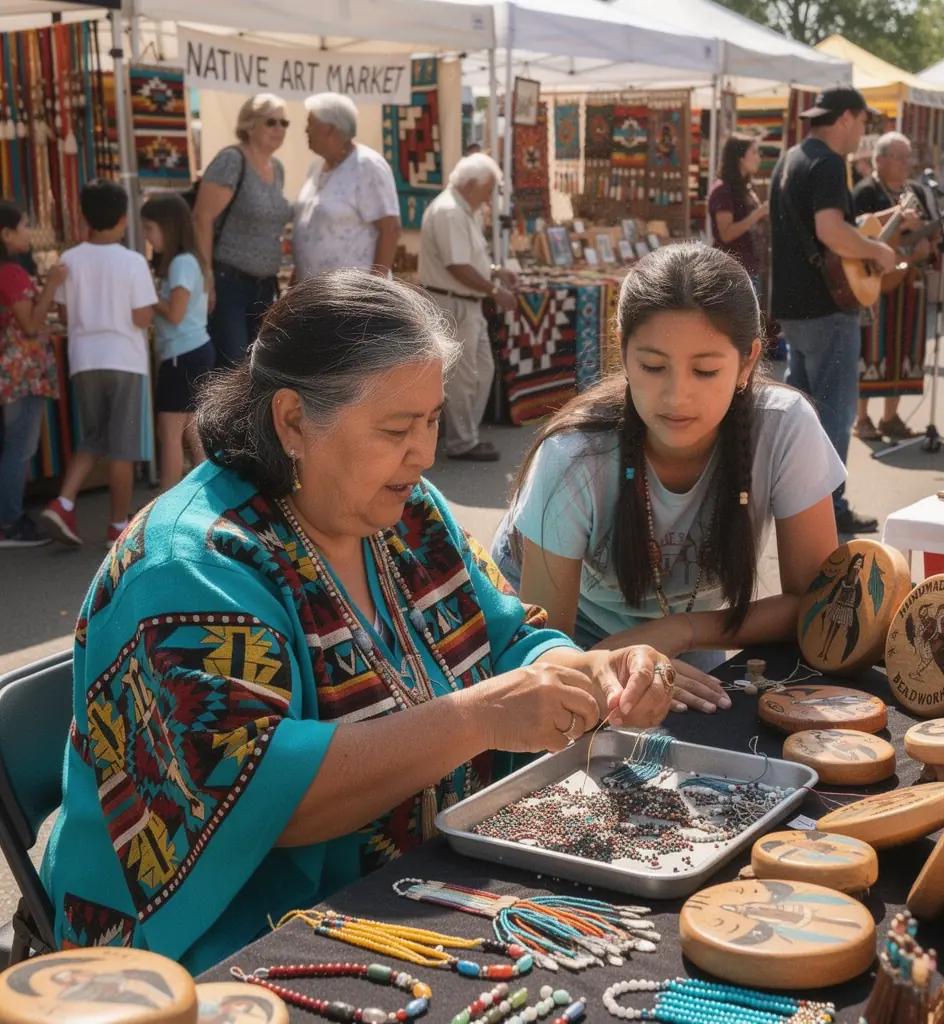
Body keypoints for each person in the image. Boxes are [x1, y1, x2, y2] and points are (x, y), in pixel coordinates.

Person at [42, 271, 673, 971]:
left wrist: (582, 673)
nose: (425, 453)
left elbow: (508, 639)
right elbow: (258, 798)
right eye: (398, 429)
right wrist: (478, 719)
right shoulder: (188, 562)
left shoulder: (407, 510)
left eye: (433, 420)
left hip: (412, 884)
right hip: (226, 939)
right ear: (291, 422)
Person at [492, 243, 844, 711]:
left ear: (747, 360)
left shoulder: (785, 427)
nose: (677, 396)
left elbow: (815, 603)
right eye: (653, 366)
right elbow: (541, 661)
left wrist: (680, 631)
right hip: (566, 644)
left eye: (705, 370)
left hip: (687, 632)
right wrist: (619, 666)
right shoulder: (574, 456)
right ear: (622, 348)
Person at [769, 86, 896, 536]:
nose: (864, 132)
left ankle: (795, 500)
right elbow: (831, 230)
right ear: (846, 118)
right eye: (864, 122)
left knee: (800, 412)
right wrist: (878, 252)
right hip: (826, 308)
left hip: (792, 306)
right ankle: (829, 507)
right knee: (833, 413)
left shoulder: (790, 158)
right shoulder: (826, 163)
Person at [39, 180, 157, 548]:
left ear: (84, 217)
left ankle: (64, 501)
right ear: (124, 217)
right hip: (124, 358)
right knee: (122, 446)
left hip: (84, 358)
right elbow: (142, 318)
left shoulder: (70, 260)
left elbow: (63, 311)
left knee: (92, 438)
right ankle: (117, 525)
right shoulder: (134, 262)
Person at [419, 153, 517, 462]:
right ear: (471, 184)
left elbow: (467, 258)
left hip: (466, 303)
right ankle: (462, 441)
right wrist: (494, 289)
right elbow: (457, 265)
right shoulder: (450, 212)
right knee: (463, 376)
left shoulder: (463, 211)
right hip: (455, 303)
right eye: (487, 190)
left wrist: (494, 270)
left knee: (480, 370)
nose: (489, 198)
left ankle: (465, 434)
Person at [193, 93, 291, 368]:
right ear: (249, 125)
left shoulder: (278, 169)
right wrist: (207, 279)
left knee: (259, 366)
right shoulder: (232, 161)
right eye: (271, 121)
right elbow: (201, 218)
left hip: (265, 285)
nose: (279, 129)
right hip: (229, 284)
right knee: (232, 368)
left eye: (285, 123)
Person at [853, 132, 932, 442]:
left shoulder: (916, 193)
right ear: (880, 160)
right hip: (873, 280)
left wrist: (926, 245)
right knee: (871, 347)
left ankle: (890, 416)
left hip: (907, 281)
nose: (906, 163)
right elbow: (858, 232)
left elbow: (928, 237)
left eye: (908, 157)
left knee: (902, 346)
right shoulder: (865, 191)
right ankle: (862, 418)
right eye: (900, 157)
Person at [0, 202, 66, 547]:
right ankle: (9, 522)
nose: (29, 231)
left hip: (13, 372)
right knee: (18, 449)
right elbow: (30, 323)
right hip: (22, 373)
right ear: (6, 233)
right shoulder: (11, 272)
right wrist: (53, 284)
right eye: (24, 225)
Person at [141, 193, 215, 493]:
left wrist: (148, 294)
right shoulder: (187, 261)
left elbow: (175, 313)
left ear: (168, 228)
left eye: (149, 229)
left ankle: (164, 504)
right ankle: (207, 495)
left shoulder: (181, 263)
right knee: (190, 431)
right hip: (191, 350)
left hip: (182, 352)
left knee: (169, 432)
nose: (147, 237)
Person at [293, 94, 400, 281]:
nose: (306, 130)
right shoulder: (316, 167)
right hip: (313, 293)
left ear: (331, 129)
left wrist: (376, 287)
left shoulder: (367, 166)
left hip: (352, 296)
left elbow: (390, 228)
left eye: (311, 123)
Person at [707, 134, 769, 290]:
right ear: (740, 158)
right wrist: (758, 213)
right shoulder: (722, 190)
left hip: (750, 268)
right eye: (753, 153)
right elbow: (726, 233)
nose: (758, 158)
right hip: (731, 274)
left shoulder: (745, 188)